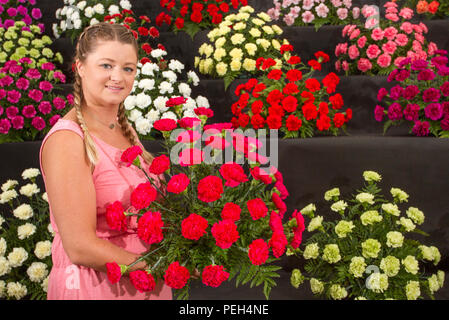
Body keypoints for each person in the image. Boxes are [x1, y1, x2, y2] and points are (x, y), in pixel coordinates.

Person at [39, 22, 172, 300]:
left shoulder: (124, 128)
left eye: (128, 68)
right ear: (80, 67)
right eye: (106, 65)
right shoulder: (68, 139)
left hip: (144, 284)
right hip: (96, 288)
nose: (118, 77)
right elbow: (80, 247)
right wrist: (163, 266)